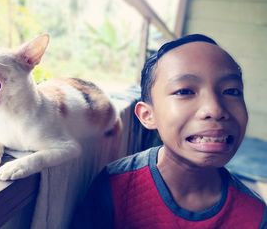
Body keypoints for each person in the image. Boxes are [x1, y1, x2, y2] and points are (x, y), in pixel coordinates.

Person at [72, 34, 267, 229]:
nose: (215, 109)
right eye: (185, 91)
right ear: (148, 115)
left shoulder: (255, 216)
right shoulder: (115, 188)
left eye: (232, 91)